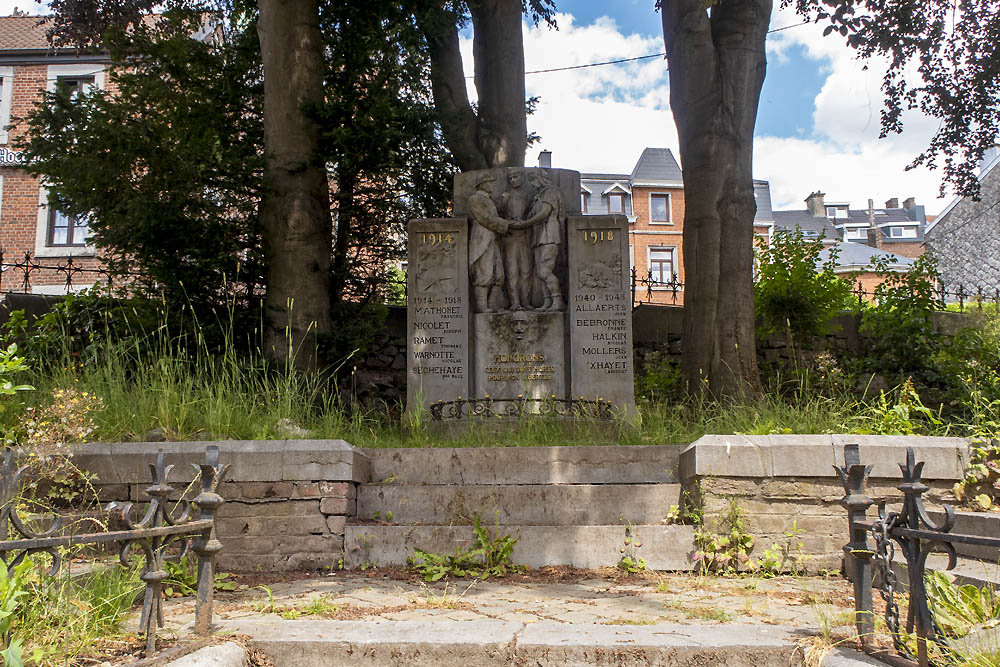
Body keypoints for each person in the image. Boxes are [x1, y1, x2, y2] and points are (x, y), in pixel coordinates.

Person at [516, 170, 565, 311]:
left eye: (533, 179)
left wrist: (525, 223)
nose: (531, 183)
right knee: (539, 272)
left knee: (545, 271)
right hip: (539, 236)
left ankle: (558, 300)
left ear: (541, 178)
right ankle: (547, 302)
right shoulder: (538, 196)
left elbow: (544, 213)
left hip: (550, 235)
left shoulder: (550, 192)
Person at [467, 173, 510, 313]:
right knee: (484, 273)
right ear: (482, 184)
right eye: (489, 182)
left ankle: (492, 304)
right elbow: (485, 218)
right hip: (482, 238)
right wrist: (507, 225)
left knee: (499, 275)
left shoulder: (489, 200)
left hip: (493, 238)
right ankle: (482, 306)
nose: (492, 184)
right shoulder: (475, 199)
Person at [498, 169, 534, 310]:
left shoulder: (529, 196)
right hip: (510, 237)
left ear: (522, 178)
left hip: (525, 236)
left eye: (516, 176)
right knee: (512, 271)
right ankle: (514, 302)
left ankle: (525, 301)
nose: (513, 180)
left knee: (526, 271)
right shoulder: (505, 196)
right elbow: (497, 214)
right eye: (510, 178)